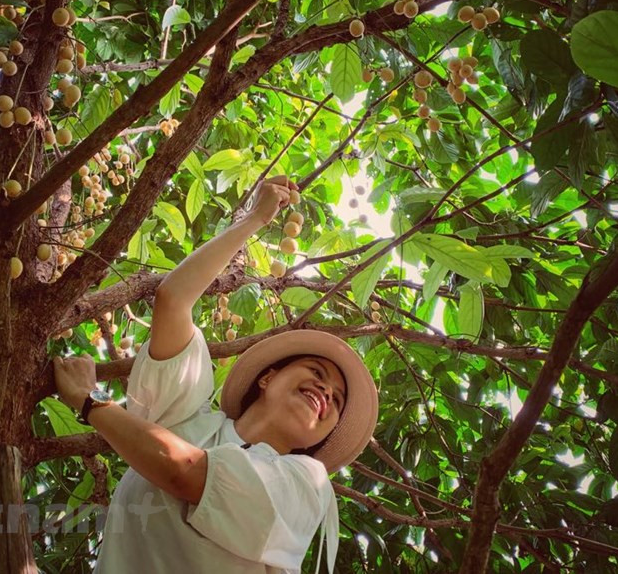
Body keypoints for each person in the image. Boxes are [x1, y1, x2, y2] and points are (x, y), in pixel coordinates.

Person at [53, 176, 379, 573]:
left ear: (323, 434)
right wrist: (255, 220)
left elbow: (186, 473)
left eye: (338, 400)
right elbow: (172, 300)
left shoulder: (306, 483)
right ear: (267, 378)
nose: (326, 390)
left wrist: (90, 402)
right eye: (316, 371)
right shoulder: (192, 422)